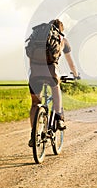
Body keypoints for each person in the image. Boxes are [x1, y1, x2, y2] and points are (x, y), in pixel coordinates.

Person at [27, 19, 79, 147]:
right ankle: (59, 118)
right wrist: (76, 75)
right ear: (61, 30)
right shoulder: (62, 40)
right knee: (56, 88)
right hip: (51, 74)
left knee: (35, 104)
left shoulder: (37, 39)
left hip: (34, 75)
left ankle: (34, 134)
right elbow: (71, 63)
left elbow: (30, 58)